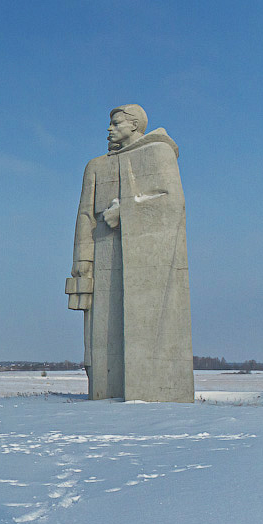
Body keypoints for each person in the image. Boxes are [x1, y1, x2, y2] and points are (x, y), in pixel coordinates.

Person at [68, 105, 194, 402]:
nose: (109, 129)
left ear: (134, 125)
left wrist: (127, 211)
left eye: (115, 123)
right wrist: (82, 262)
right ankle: (106, 389)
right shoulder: (96, 166)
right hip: (103, 259)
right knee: (100, 336)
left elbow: (173, 202)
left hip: (148, 261)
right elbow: (85, 216)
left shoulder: (159, 153)